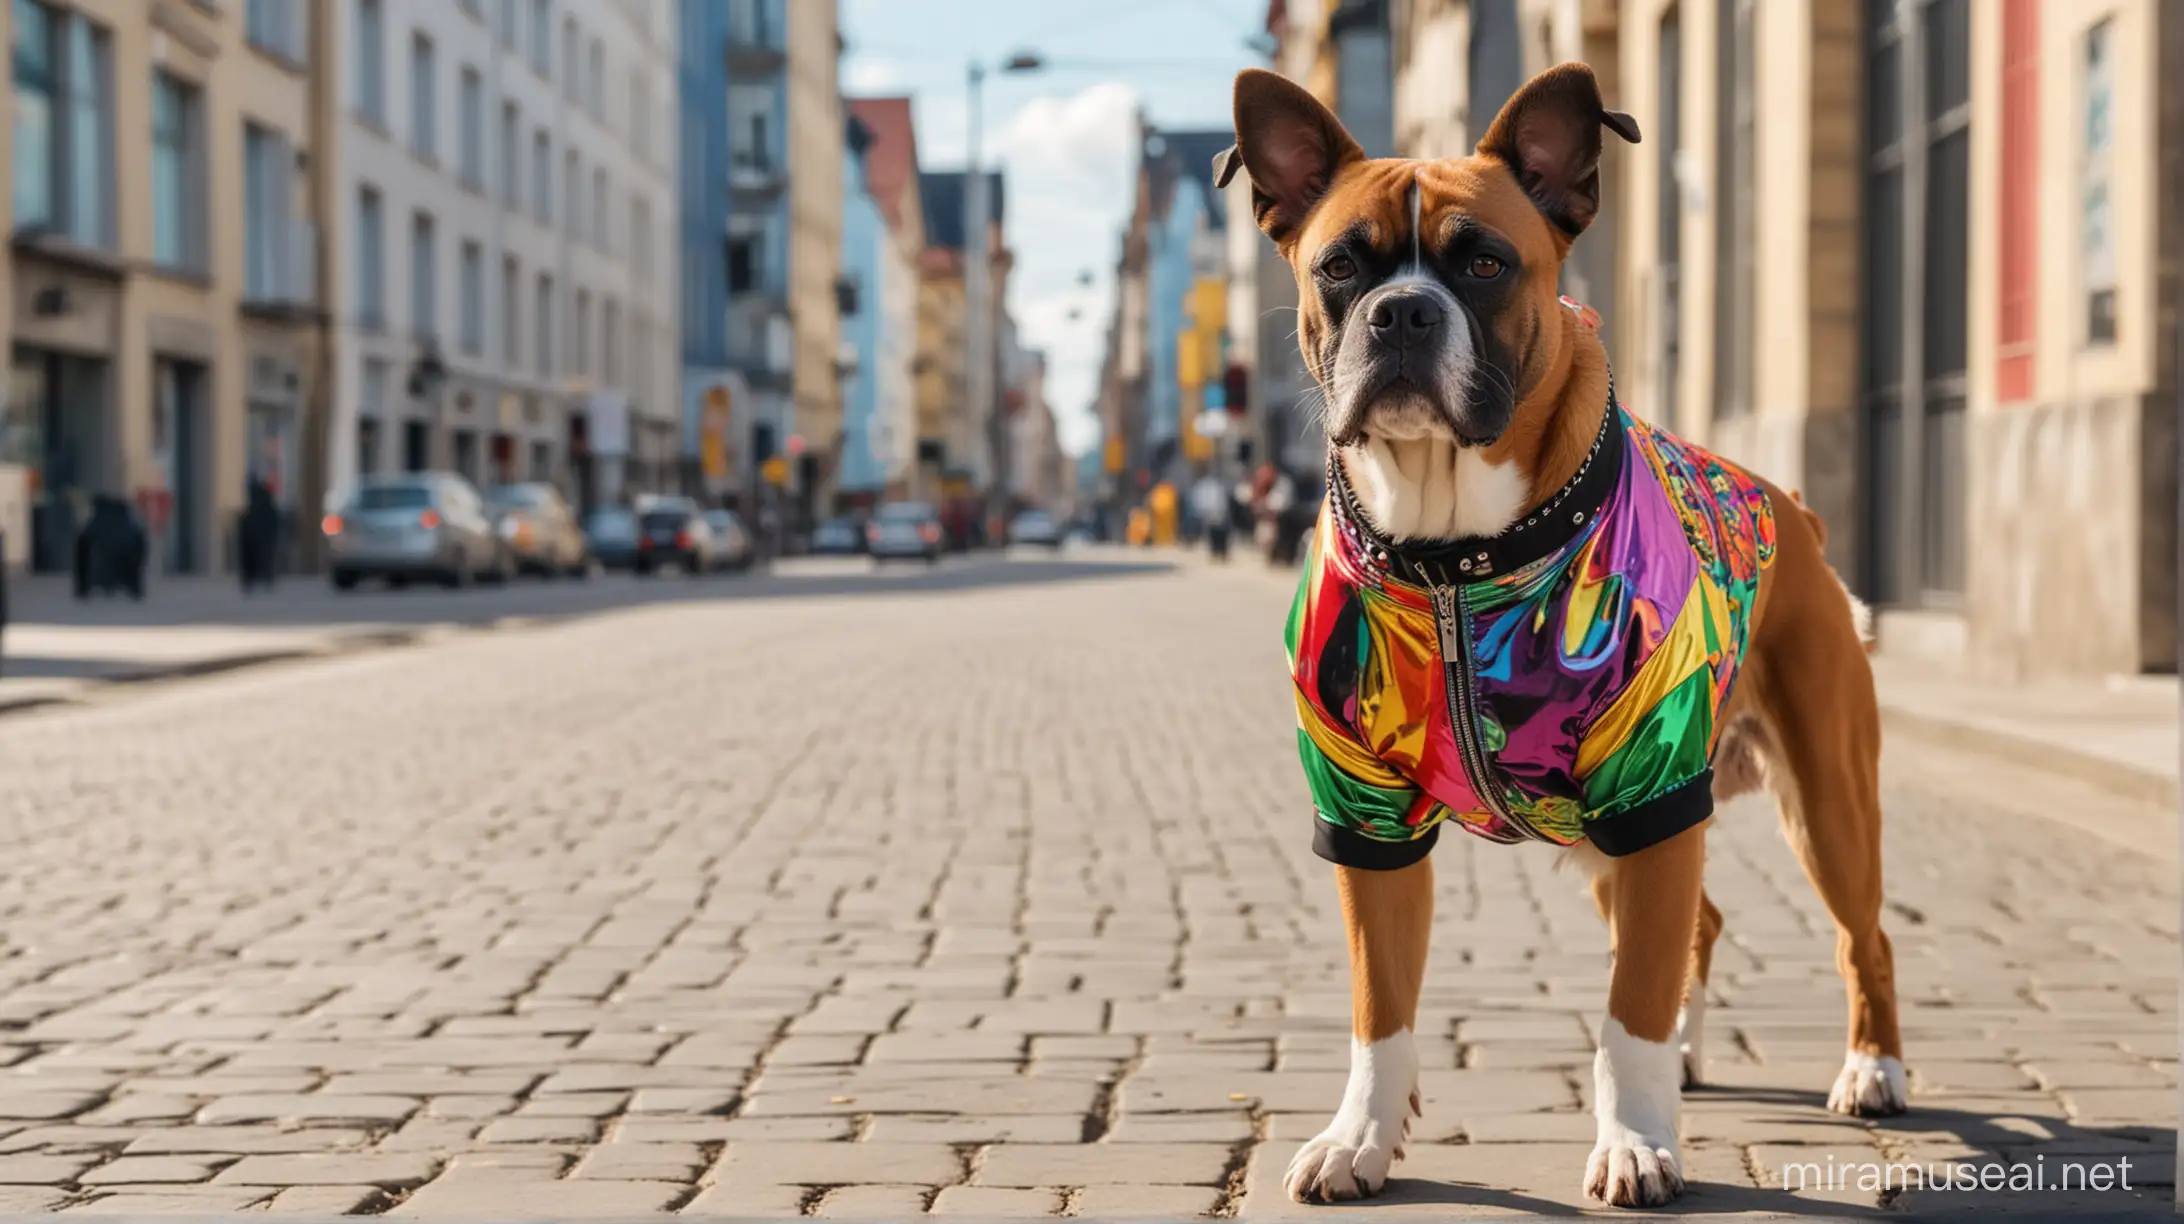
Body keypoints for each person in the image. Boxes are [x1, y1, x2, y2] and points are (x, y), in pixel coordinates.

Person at [240, 478, 280, 592]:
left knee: (263, 558)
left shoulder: (258, 508)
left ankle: (262, 578)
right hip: (258, 538)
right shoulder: (259, 508)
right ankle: (260, 578)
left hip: (260, 537)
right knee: (260, 558)